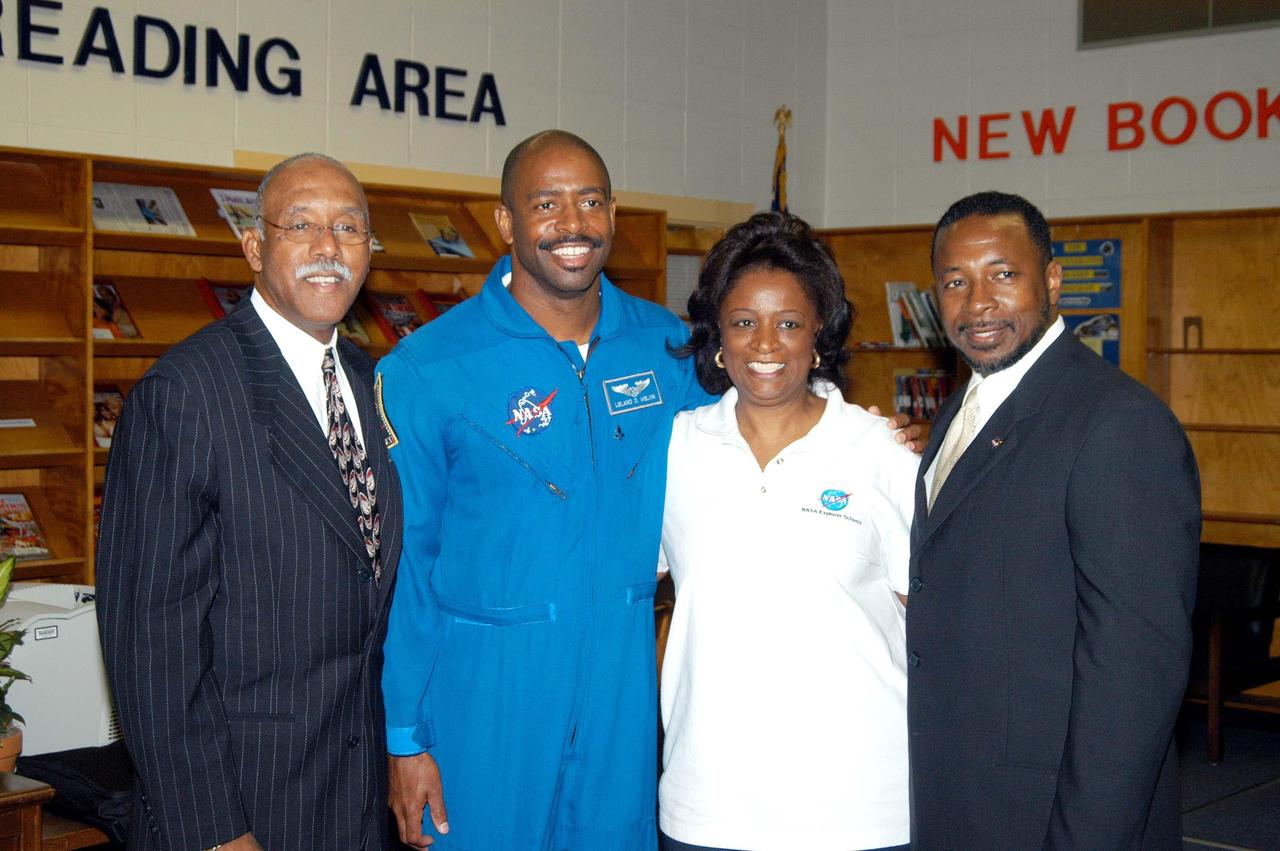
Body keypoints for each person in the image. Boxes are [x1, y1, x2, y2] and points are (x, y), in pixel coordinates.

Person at [377, 131, 922, 850]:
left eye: (591, 201)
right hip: (487, 700)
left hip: (620, 703)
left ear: (613, 213)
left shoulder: (666, 349)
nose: (572, 224)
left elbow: (767, 380)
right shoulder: (428, 366)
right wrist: (404, 735)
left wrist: (867, 429)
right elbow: (408, 565)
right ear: (507, 222)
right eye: (546, 203)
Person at [96, 153, 401, 851]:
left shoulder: (373, 379)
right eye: (302, 224)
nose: (329, 247)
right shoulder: (186, 394)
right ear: (254, 246)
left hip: (352, 801)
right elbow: (152, 645)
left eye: (349, 226)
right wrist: (213, 829)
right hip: (238, 808)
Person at [906, 191, 1200, 849]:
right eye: (955, 281)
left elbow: (1134, 676)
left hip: (1053, 818)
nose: (977, 301)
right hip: (963, 800)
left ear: (1054, 281)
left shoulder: (1118, 425)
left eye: (1002, 274)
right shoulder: (959, 411)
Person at [658, 212, 917, 851]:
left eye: (789, 323)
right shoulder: (674, 450)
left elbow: (936, 623)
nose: (765, 344)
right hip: (708, 804)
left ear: (819, 335)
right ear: (717, 335)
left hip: (859, 807)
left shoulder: (881, 451)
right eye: (744, 322)